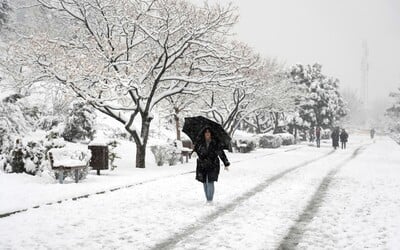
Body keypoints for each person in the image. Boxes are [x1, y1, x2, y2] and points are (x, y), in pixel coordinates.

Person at [194, 127, 230, 203]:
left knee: (210, 181)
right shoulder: (200, 143)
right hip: (202, 164)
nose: (207, 133)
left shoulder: (215, 142)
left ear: (211, 134)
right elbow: (197, 151)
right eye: (205, 132)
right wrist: (195, 151)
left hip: (213, 164)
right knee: (204, 182)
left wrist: (226, 163)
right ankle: (207, 198)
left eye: (208, 132)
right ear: (204, 134)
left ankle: (210, 200)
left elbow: (221, 153)